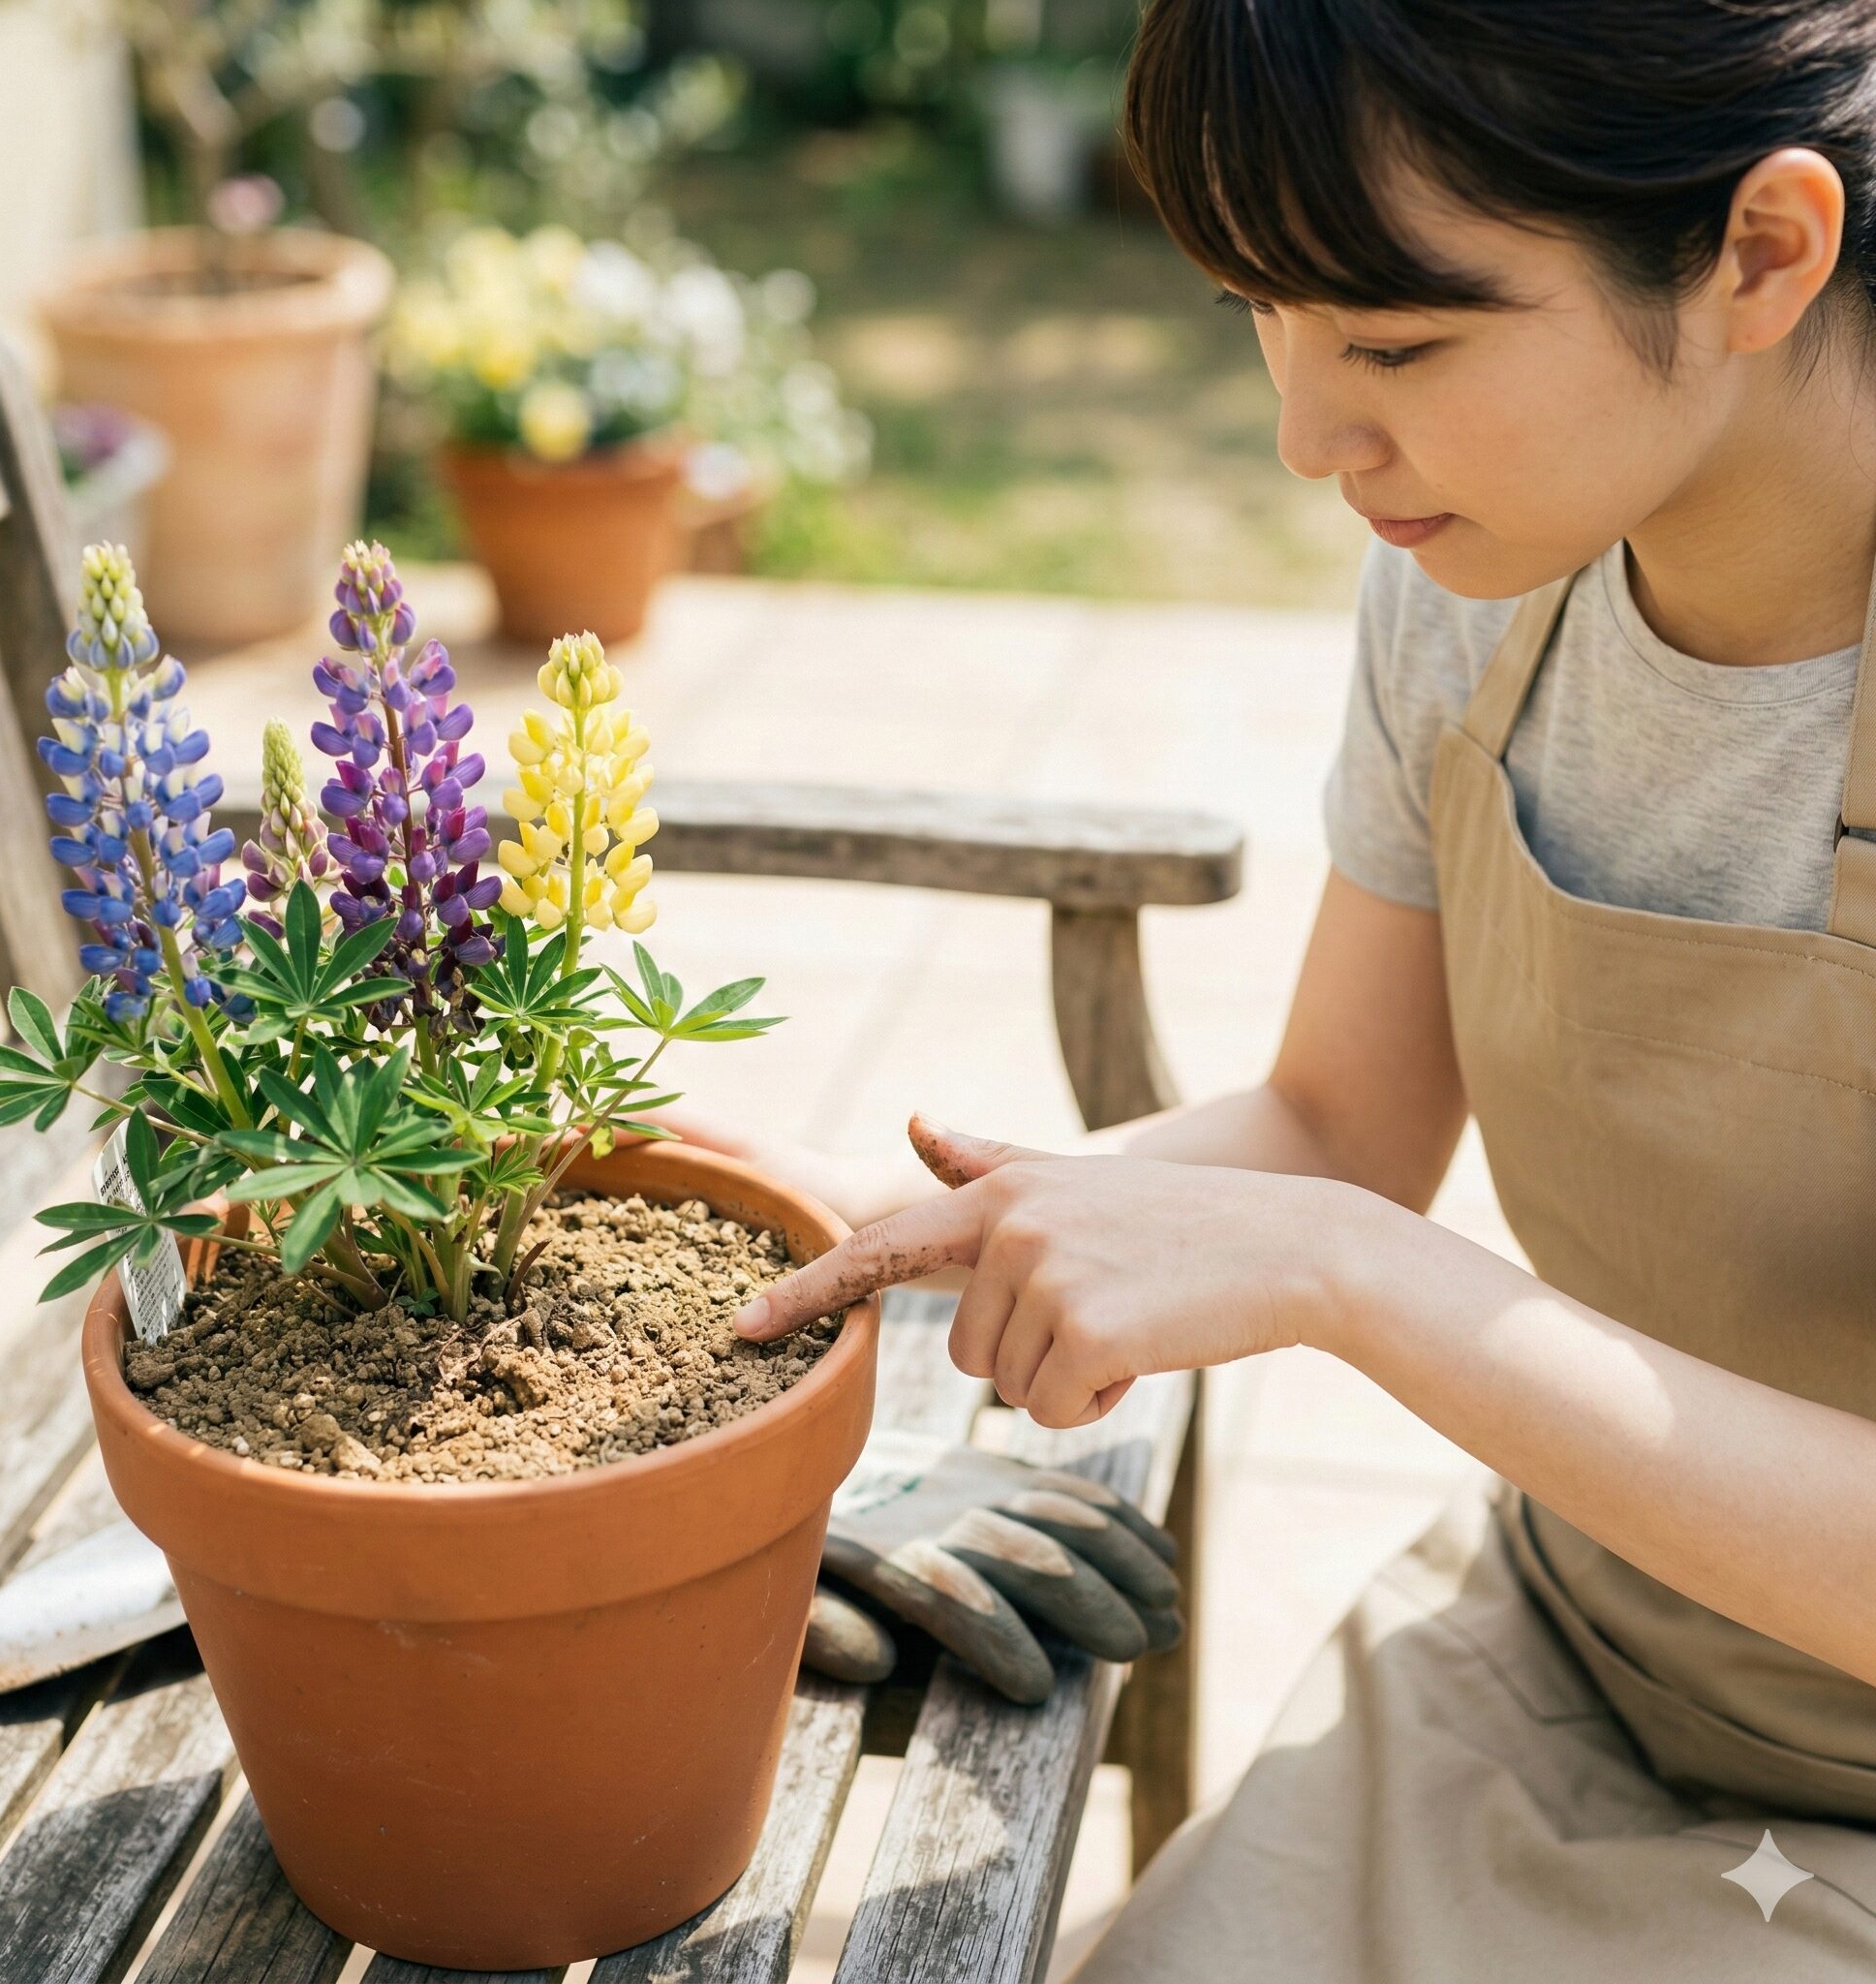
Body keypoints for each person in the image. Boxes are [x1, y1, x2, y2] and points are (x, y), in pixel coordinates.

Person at [681, 0, 1876, 1971]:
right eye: (1262, 311)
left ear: (1759, 251)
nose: (1307, 437)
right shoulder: (1472, 591)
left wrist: (1351, 1276)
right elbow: (1335, 1126)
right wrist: (852, 1228)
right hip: (1581, 1648)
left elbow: (1344, 1226)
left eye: (1395, 341)